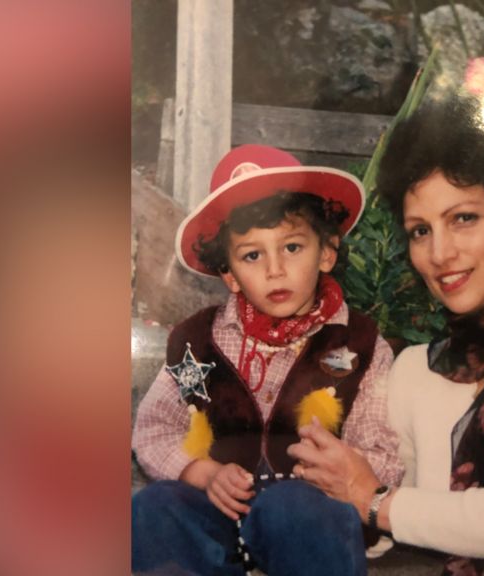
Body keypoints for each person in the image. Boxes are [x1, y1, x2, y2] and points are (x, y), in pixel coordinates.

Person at [288, 97, 484, 576]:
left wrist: (371, 499)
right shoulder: (414, 369)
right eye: (419, 231)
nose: (440, 252)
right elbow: (407, 527)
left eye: (463, 219)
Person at [131, 144, 403, 576]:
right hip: (215, 510)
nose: (275, 269)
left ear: (327, 252)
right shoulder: (198, 342)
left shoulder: (360, 345)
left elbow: (385, 451)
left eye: (292, 247)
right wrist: (202, 474)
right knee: (154, 506)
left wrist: (336, 472)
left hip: (311, 515)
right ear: (229, 275)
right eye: (252, 255)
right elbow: (154, 429)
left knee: (296, 509)